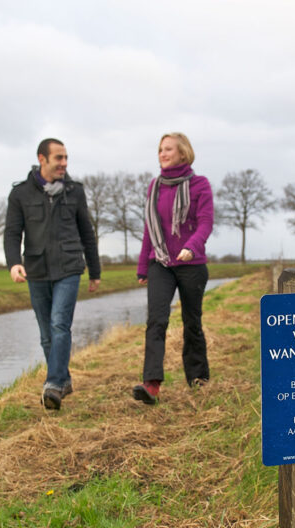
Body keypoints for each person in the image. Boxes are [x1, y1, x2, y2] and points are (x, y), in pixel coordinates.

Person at [5, 138, 101, 411]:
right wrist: (14, 263)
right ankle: (64, 380)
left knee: (60, 324)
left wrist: (95, 271)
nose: (64, 163)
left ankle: (54, 384)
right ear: (42, 159)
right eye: (59, 158)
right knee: (46, 334)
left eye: (66, 158)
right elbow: (12, 233)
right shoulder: (20, 194)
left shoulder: (75, 191)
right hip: (36, 270)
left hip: (69, 268)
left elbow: (87, 234)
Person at [133, 132, 214, 405]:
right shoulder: (154, 187)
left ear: (183, 153)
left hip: (192, 263)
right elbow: (149, 227)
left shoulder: (200, 185)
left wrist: (192, 246)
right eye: (160, 150)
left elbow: (205, 223)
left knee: (192, 323)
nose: (162, 154)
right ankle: (151, 384)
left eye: (168, 149)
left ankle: (198, 379)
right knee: (156, 321)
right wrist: (143, 265)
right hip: (161, 264)